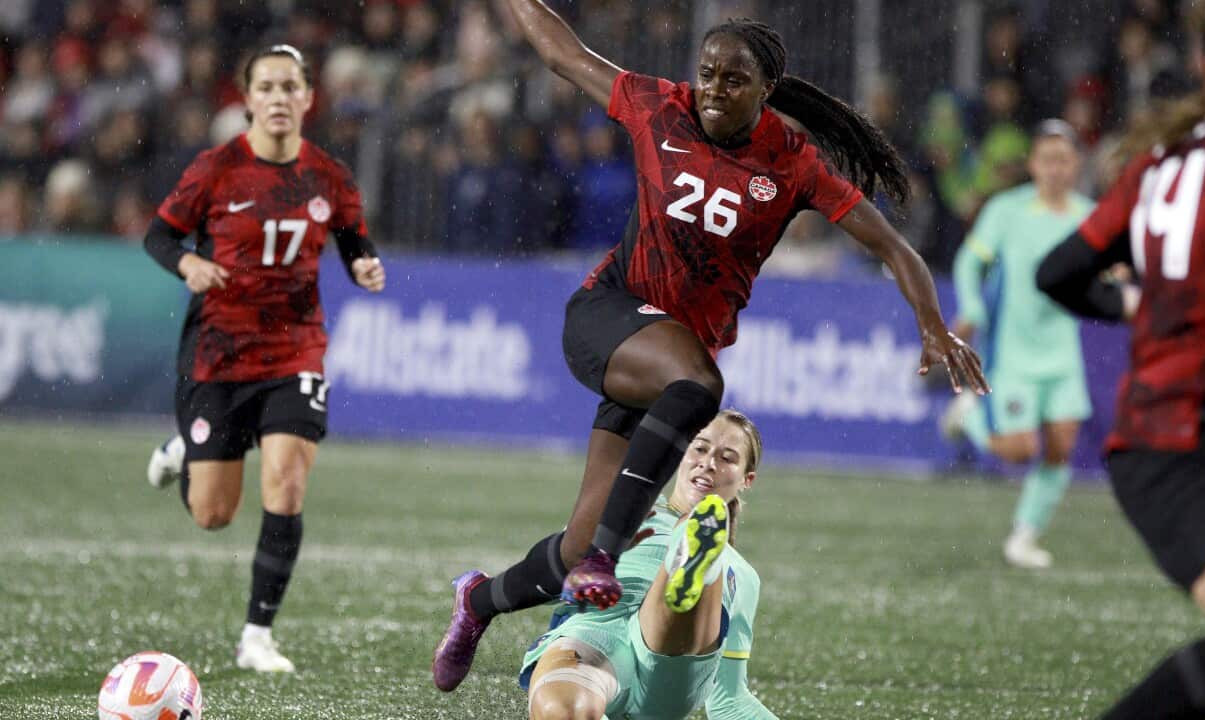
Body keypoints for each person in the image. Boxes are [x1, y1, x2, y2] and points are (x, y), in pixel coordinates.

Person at [432, 2, 989, 692]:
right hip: (607, 320)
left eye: (733, 80)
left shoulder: (791, 163)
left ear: (765, 91)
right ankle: (604, 561)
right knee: (698, 391)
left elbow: (892, 245)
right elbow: (562, 55)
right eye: (707, 75)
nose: (714, 91)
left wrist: (933, 323)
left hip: (660, 367)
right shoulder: (655, 107)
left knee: (576, 539)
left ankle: (478, 600)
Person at [1036, 1, 1205, 716]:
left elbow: (1060, 272)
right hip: (1193, 447)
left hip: (1202, 440)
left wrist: (1133, 305)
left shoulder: (1168, 154)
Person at [142, 44, 386, 673]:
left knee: (286, 481)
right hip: (219, 353)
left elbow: (355, 240)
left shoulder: (329, 174)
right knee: (212, 515)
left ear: (308, 98)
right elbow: (159, 235)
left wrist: (364, 264)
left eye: (290, 87)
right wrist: (188, 261)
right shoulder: (216, 168)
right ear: (247, 99)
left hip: (295, 347)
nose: (278, 98)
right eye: (267, 88)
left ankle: (257, 636)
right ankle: (186, 453)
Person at [520, 410, 775, 720]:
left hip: (669, 661)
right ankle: (692, 552)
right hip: (595, 633)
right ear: (682, 452)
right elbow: (548, 573)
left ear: (747, 479)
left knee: (683, 595)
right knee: (564, 711)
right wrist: (586, 562)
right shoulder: (623, 511)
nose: (709, 463)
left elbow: (728, 701)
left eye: (727, 458)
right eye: (700, 448)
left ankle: (692, 551)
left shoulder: (743, 576)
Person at [945, 120, 1095, 569]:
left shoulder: (1088, 214)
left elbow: (1108, 268)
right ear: (1032, 164)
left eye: (1063, 160)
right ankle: (969, 415)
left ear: (1076, 166)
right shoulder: (1007, 211)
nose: (1054, 168)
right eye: (1047, 159)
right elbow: (970, 261)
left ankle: (1024, 538)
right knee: (1019, 449)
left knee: (1060, 447)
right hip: (1013, 353)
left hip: (1063, 353)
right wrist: (971, 308)